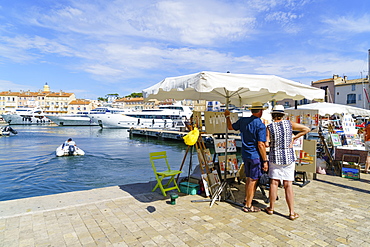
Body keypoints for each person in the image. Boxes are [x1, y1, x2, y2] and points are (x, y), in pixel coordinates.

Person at [264, 105, 310, 220]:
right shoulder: (289, 124)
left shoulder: (269, 127)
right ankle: (291, 212)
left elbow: (266, 143)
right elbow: (306, 129)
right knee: (288, 185)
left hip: (275, 157)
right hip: (289, 158)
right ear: (283, 115)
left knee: (274, 183)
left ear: (273, 115)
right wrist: (294, 138)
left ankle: (271, 208)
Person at [225, 102, 268, 212]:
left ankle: (246, 199)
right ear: (261, 111)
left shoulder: (243, 121)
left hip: (245, 154)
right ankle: (248, 205)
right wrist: (265, 160)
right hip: (255, 156)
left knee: (249, 178)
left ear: (251, 111)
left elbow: (230, 127)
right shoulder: (260, 125)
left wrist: (227, 116)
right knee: (253, 180)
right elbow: (261, 144)